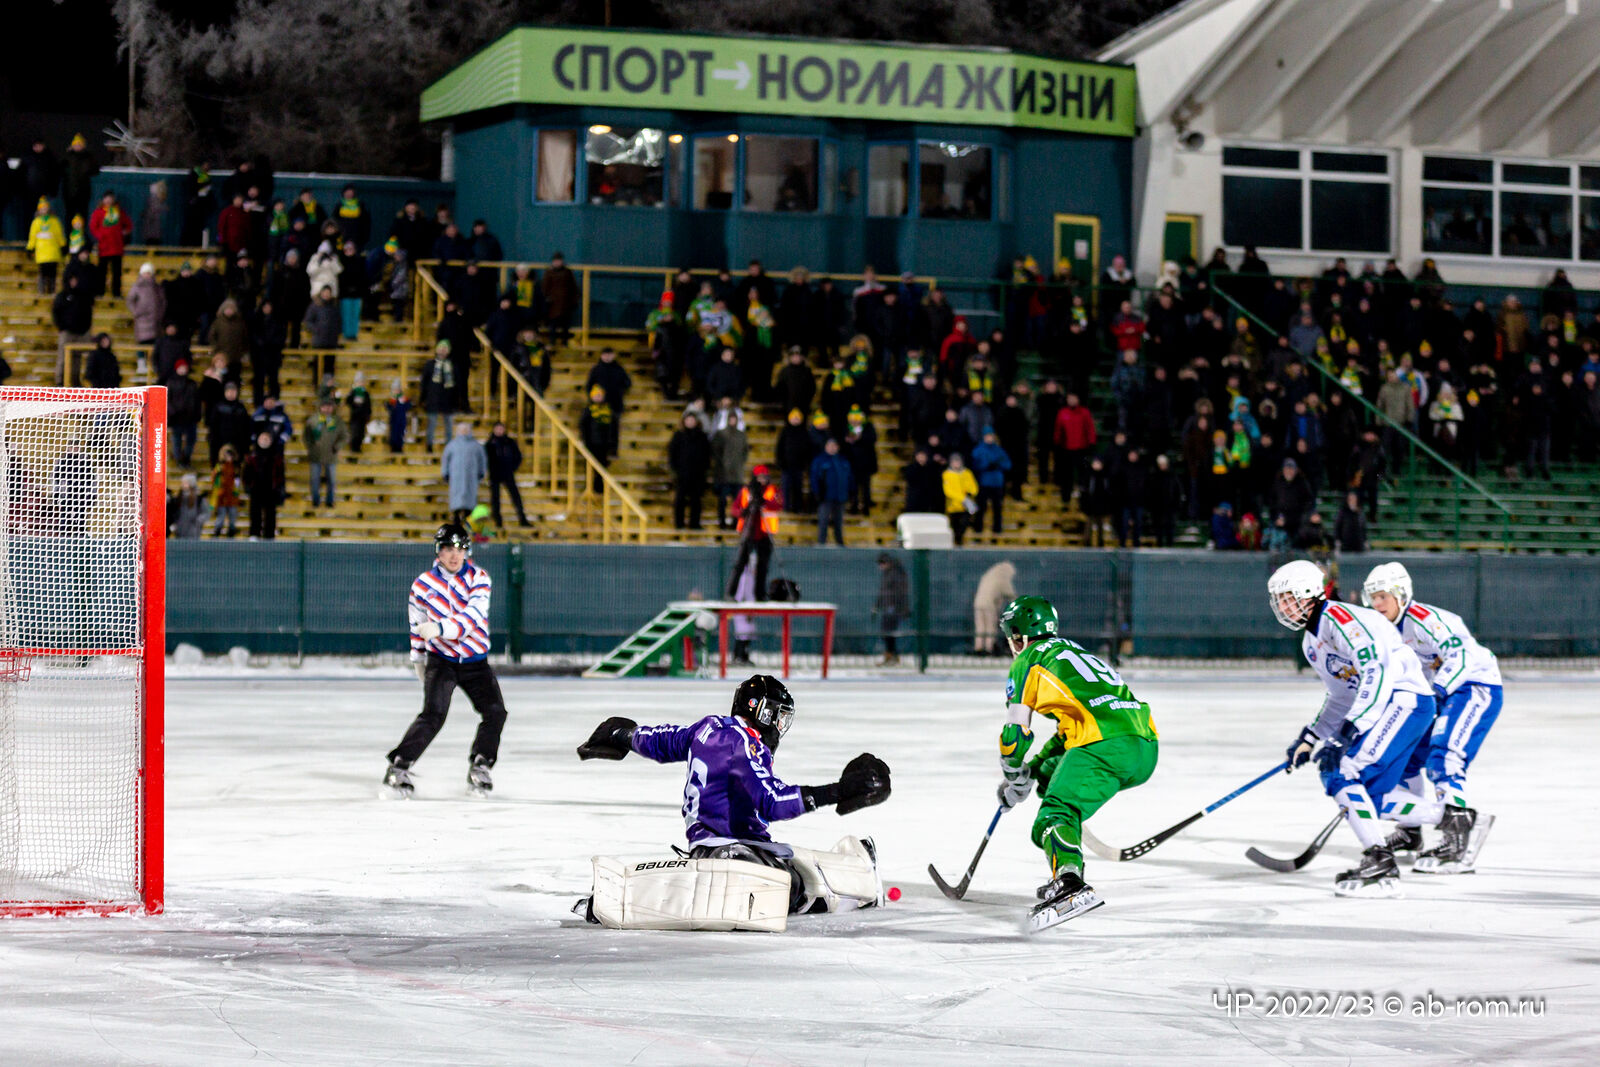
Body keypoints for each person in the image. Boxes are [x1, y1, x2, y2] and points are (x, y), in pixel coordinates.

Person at [573, 675, 890, 928]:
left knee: (796, 867)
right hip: (733, 851)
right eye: (778, 717)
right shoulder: (743, 741)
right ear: (762, 711)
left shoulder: (708, 728)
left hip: (714, 847)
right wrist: (837, 791)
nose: (779, 728)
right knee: (793, 884)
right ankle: (845, 881)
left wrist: (623, 735)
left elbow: (661, 741)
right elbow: (773, 802)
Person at [1270, 559, 1436, 896]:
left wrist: (1348, 731)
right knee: (1368, 795)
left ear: (1308, 592)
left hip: (1403, 699)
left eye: (1288, 598)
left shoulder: (1340, 619)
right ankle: (1453, 818)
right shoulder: (1311, 642)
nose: (1283, 607)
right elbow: (1342, 695)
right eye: (1279, 600)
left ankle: (1380, 865)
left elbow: (1376, 669)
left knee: (1343, 771)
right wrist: (1311, 737)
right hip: (1390, 704)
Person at [995, 596, 1159, 930]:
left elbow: (1015, 733)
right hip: (1144, 747)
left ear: (1019, 636)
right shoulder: (1077, 652)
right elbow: (1070, 730)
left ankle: (1069, 884)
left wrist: (1013, 773)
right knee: (1048, 778)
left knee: (1054, 814)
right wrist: (1033, 771)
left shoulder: (1028, 659)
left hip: (1105, 744)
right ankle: (1066, 860)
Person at [1361, 563, 1502, 873]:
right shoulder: (1385, 632)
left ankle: (1457, 838)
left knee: (1445, 757)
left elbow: (1462, 655)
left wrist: (1438, 689)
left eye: (1383, 596)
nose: (1377, 604)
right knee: (1405, 760)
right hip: (1436, 693)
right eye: (1373, 598)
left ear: (1401, 594)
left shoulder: (1426, 620)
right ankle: (1410, 832)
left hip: (1473, 687)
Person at [384, 523, 508, 798]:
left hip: (475, 662)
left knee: (495, 712)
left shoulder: (479, 578)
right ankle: (399, 766)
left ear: (467, 552)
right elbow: (417, 625)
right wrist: (418, 659)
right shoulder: (422, 585)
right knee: (433, 715)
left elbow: (472, 617)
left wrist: (440, 628)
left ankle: (481, 764)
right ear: (438, 551)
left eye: (460, 549)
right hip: (442, 661)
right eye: (448, 549)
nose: (454, 555)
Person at [728, 467, 780, 600]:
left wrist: (764, 502)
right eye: (759, 477)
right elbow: (735, 508)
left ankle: (760, 595)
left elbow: (778, 504)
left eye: (764, 477)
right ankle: (731, 593)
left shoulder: (772, 490)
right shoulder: (746, 491)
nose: (762, 480)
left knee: (763, 566)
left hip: (764, 534)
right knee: (740, 564)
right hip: (749, 532)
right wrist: (744, 511)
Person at [669, 412, 711, 530]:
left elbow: (707, 456)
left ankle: (695, 523)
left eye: (692, 420)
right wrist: (675, 471)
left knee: (696, 500)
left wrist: (705, 471)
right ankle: (679, 523)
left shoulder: (702, 437)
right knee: (680, 499)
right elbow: (672, 454)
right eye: (688, 420)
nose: (690, 422)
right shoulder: (678, 436)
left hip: (698, 475)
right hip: (682, 474)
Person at [304, 398, 348, 509]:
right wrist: (311, 447)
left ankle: (330, 501)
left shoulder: (337, 421)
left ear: (333, 408)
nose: (327, 409)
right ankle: (315, 501)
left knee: (331, 481)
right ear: (320, 407)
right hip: (316, 455)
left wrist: (337, 446)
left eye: (329, 407)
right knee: (314, 480)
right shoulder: (313, 420)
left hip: (331, 455)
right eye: (324, 407)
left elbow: (344, 436)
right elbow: (306, 436)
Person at [441, 422, 487, 526]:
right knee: (456, 498)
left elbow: (482, 459)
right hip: (456, 476)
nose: (464, 432)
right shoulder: (452, 445)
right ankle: (456, 520)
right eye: (462, 430)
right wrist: (445, 472)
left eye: (466, 430)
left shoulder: (476, 445)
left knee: (469, 497)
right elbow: (445, 459)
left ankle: (468, 520)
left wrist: (481, 472)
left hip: (471, 476)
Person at [88, 192, 133, 298]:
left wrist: (124, 232)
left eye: (110, 198)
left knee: (117, 272)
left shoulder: (118, 212)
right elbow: (93, 227)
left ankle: (116, 293)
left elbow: (129, 224)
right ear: (103, 200)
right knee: (102, 271)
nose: (108, 200)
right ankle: (100, 292)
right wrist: (101, 235)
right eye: (106, 198)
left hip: (117, 247)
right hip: (104, 247)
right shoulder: (98, 212)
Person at [242, 430, 284, 540]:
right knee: (255, 513)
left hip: (271, 489)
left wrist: (279, 487)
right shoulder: (252, 456)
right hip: (256, 489)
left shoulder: (276, 457)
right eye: (262, 438)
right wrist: (247, 485)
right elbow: (246, 473)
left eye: (267, 439)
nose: (264, 441)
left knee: (270, 514)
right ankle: (254, 533)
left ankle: (269, 535)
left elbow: (280, 474)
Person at [810, 438, 853, 546]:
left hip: (840, 496)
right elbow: (814, 478)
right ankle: (821, 542)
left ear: (838, 447)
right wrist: (817, 493)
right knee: (823, 520)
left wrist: (850, 492)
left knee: (838, 521)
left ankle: (839, 542)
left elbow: (849, 478)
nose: (832, 448)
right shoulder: (820, 461)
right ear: (826, 447)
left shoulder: (843, 461)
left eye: (834, 446)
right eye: (830, 446)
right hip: (826, 497)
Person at [485, 422, 528, 527]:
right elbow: (485, 459)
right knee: (495, 498)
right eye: (497, 429)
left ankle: (522, 518)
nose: (499, 431)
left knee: (515, 496)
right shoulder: (489, 444)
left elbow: (518, 456)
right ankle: (498, 520)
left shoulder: (510, 442)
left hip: (508, 473)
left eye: (501, 429)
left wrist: (513, 467)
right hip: (495, 474)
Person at [970, 429, 1011, 534]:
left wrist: (998, 465)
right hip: (984, 482)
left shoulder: (999, 450)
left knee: (997, 507)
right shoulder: (978, 450)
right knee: (981, 506)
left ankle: (997, 528)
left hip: (997, 483)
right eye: (987, 436)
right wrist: (985, 466)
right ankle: (978, 528)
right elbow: (974, 465)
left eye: (991, 436)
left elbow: (1008, 464)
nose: (989, 438)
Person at [973, 561, 1016, 655]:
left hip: (978, 603)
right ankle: (989, 648)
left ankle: (978, 648)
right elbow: (1010, 593)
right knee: (990, 627)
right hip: (989, 604)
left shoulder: (987, 576)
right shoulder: (1002, 578)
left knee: (980, 627)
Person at [873, 554, 910, 666]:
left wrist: (900, 607)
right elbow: (883, 592)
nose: (880, 567)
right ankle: (892, 655)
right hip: (888, 607)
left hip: (893, 608)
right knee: (887, 632)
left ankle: (891, 656)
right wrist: (877, 606)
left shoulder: (895, 574)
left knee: (888, 632)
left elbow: (900, 592)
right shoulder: (888, 574)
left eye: (881, 564)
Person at [420, 342, 457, 450]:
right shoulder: (430, 364)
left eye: (445, 348)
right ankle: (429, 445)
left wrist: (456, 400)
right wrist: (423, 398)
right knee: (432, 423)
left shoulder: (452, 365)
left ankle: (449, 446)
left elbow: (456, 383)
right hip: (433, 399)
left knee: (449, 424)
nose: (442, 350)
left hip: (448, 400)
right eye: (441, 348)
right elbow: (424, 382)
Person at [26, 198, 67, 294]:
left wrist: (63, 245)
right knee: (42, 273)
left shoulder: (55, 221)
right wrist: (30, 248)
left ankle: (52, 291)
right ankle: (42, 291)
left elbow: (59, 235)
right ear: (39, 210)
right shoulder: (36, 222)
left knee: (53, 273)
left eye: (45, 208)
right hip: (42, 252)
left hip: (53, 252)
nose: (44, 210)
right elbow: (32, 237)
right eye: (42, 208)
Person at [942, 453, 979, 546]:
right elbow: (948, 491)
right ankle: (956, 543)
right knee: (954, 526)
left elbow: (973, 487)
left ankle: (959, 542)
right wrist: (962, 498)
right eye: (954, 462)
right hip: (953, 506)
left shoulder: (967, 473)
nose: (956, 464)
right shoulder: (947, 474)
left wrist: (970, 493)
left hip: (966, 506)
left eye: (958, 461)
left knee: (964, 524)